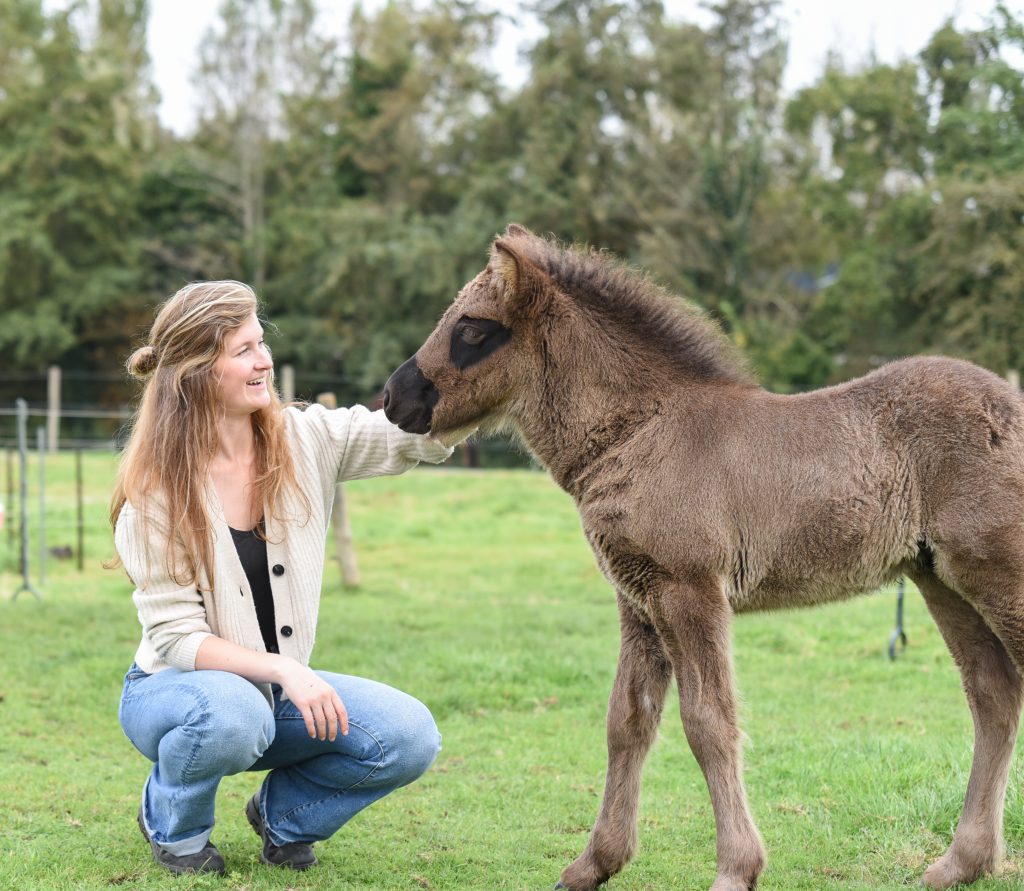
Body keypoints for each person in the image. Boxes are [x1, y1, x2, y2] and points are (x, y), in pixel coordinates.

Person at [110, 280, 454, 875]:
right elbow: (177, 639)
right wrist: (284, 668)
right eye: (244, 349)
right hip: (175, 695)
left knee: (407, 734)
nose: (264, 360)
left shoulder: (304, 439)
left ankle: (284, 819)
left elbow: (405, 433)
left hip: (273, 695)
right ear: (196, 370)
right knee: (232, 713)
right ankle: (174, 825)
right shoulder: (154, 494)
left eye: (261, 343)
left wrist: (488, 382)